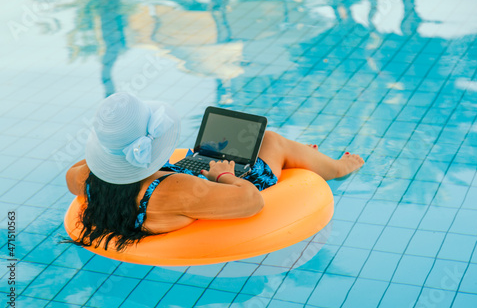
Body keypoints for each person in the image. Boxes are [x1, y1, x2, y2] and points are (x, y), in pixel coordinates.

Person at [66, 93, 364, 251]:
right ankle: (338, 167)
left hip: (161, 190)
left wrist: (111, 154)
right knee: (271, 140)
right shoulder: (176, 189)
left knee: (216, 151)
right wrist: (222, 174)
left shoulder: (86, 180)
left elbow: (75, 173)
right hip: (214, 186)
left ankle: (301, 154)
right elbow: (251, 202)